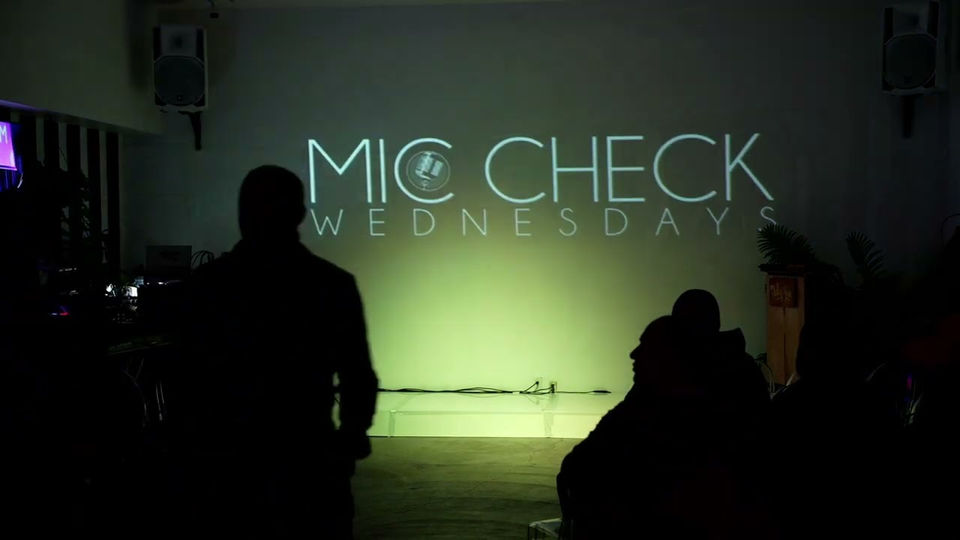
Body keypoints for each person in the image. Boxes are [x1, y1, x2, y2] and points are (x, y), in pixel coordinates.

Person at [165, 165, 378, 538]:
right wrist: (350, 440)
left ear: (241, 215)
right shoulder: (331, 285)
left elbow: (185, 377)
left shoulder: (206, 286)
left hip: (225, 468)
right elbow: (356, 373)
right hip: (308, 461)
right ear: (300, 214)